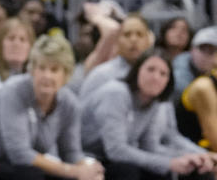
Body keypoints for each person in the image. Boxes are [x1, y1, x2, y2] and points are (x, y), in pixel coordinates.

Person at [0, 34, 103, 180]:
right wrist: (73, 171)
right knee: (34, 174)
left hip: (19, 164)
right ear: (32, 70)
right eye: (41, 68)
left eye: (54, 70)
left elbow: (70, 152)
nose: (47, 76)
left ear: (66, 74)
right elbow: (19, 153)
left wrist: (89, 168)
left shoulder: (69, 103)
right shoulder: (13, 90)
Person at [82, 50, 213, 180]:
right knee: (129, 171)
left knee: (194, 169)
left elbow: (150, 146)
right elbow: (116, 150)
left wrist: (198, 157)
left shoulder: (154, 100)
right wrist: (170, 163)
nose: (156, 77)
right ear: (137, 71)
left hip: (120, 157)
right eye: (150, 69)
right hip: (89, 156)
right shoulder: (116, 93)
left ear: (168, 81)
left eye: (163, 74)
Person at [79, 14, 155, 101]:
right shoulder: (100, 75)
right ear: (117, 41)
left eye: (139, 34)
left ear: (148, 41)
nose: (133, 39)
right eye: (127, 34)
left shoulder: (158, 75)